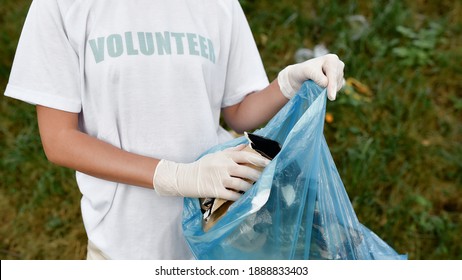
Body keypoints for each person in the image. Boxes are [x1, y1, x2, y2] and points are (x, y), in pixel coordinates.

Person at [4, 0, 344, 260]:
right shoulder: (61, 6)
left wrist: (289, 82)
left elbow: (239, 113)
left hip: (219, 239)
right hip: (126, 245)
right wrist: (178, 177)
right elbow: (60, 140)